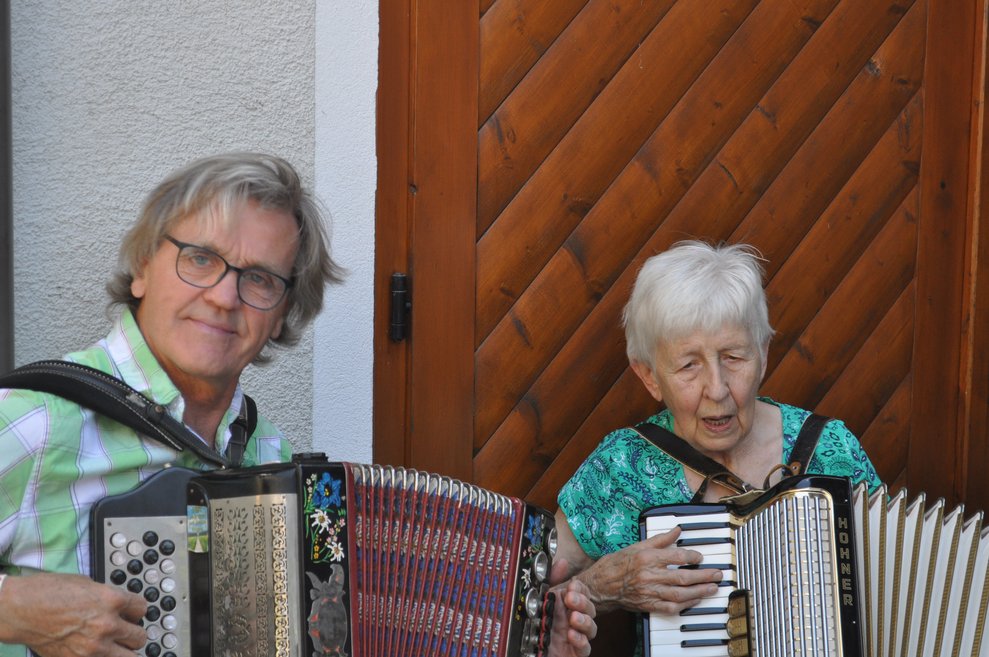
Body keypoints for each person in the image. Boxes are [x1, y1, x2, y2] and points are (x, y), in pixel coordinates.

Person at [0, 152, 597, 657]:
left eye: (259, 278)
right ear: (141, 269)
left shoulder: (269, 460)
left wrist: (524, 637)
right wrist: (17, 610)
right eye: (200, 258)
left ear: (283, 314)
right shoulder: (34, 422)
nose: (224, 297)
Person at [553, 240, 882, 655]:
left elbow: (891, 583)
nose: (717, 389)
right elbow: (533, 603)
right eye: (688, 365)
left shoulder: (832, 449)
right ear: (649, 376)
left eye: (733, 357)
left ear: (763, 354)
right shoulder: (622, 466)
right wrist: (603, 587)